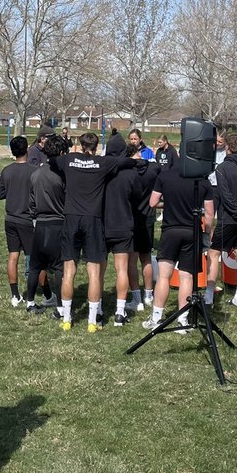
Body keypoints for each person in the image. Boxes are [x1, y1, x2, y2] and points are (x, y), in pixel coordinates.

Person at [54, 131, 136, 332]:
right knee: (94, 271)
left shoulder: (69, 159)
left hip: (71, 217)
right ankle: (92, 321)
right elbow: (126, 162)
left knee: (68, 271)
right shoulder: (103, 163)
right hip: (93, 219)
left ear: (80, 145)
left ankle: (67, 318)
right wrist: (142, 163)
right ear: (97, 146)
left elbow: (52, 161)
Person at [141, 162, 214, 333]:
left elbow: (152, 202)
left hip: (170, 230)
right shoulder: (202, 180)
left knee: (164, 276)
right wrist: (207, 232)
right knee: (186, 277)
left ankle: (156, 317)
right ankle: (182, 319)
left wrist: (168, 203)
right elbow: (210, 212)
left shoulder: (165, 176)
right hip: (192, 231)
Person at [204, 132, 237, 309]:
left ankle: (209, 295)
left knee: (213, 254)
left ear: (228, 148)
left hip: (228, 219)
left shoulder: (222, 168)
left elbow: (225, 195)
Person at [23, 134, 68, 310]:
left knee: (35, 265)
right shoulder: (62, 175)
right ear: (62, 152)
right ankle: (60, 306)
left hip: (40, 223)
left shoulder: (36, 174)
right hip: (58, 222)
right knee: (59, 268)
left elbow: (31, 203)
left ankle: (30, 301)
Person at [102, 143, 144, 326]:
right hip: (123, 223)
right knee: (122, 268)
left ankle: (98, 308)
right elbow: (138, 197)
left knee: (99, 270)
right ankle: (120, 311)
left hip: (102, 224)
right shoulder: (131, 174)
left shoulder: (100, 171)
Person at [0, 135, 36, 307]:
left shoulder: (6, 171)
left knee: (13, 256)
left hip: (10, 219)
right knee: (33, 258)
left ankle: (15, 295)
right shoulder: (34, 171)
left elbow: (1, 194)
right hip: (27, 219)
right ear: (27, 149)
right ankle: (33, 295)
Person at [127, 150, 162, 312]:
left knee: (132, 261)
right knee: (146, 258)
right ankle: (148, 295)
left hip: (132, 217)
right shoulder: (153, 169)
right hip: (148, 217)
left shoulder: (128, 171)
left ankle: (136, 299)